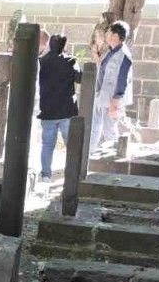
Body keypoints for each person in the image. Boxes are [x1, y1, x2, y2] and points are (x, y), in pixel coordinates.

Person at [37, 34, 81, 182]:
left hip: (47, 110)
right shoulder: (70, 61)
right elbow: (80, 78)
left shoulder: (41, 61)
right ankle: (72, 173)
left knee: (47, 145)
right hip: (67, 110)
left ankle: (46, 175)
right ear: (64, 45)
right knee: (71, 145)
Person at [91, 21, 134, 150]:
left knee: (109, 130)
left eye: (109, 32)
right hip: (101, 96)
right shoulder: (110, 51)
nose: (107, 34)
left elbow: (123, 80)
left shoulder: (124, 55)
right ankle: (90, 155)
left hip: (111, 99)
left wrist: (115, 103)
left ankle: (112, 157)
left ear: (115, 36)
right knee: (94, 128)